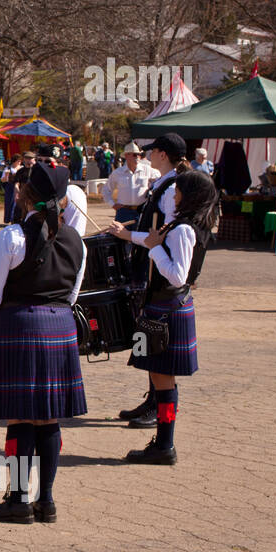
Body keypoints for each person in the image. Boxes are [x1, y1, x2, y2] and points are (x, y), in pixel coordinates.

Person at [0, 162, 86, 523]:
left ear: (23, 194)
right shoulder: (78, 241)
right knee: (48, 417)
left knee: (19, 417)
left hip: (17, 328)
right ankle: (45, 501)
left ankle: (17, 499)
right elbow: (72, 295)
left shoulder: (10, 237)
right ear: (62, 202)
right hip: (60, 327)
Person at [122, 170, 220, 465]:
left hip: (168, 307)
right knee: (162, 379)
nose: (173, 196)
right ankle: (163, 441)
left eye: (177, 192)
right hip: (169, 307)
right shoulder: (186, 225)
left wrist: (154, 250)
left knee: (163, 382)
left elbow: (177, 275)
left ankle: (165, 444)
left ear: (189, 196)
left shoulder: (183, 230)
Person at [107, 132, 189, 427]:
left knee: (158, 355)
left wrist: (129, 235)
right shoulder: (164, 184)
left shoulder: (171, 189)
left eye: (152, 151)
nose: (148, 155)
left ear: (163, 155)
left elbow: (162, 235)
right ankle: (155, 403)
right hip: (156, 273)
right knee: (152, 353)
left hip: (162, 280)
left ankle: (161, 414)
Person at [106, 141, 159, 225]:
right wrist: (112, 204)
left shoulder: (147, 170)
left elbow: (161, 178)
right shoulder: (117, 173)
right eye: (134, 154)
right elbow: (106, 190)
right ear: (126, 156)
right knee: (121, 237)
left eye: (139, 154)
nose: (138, 157)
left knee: (140, 236)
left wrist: (152, 187)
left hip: (142, 211)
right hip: (123, 212)